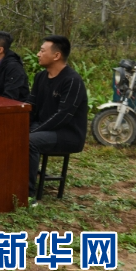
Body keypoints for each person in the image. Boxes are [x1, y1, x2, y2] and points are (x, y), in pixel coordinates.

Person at [26, 35, 88, 199]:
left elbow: (62, 116)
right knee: (10, 133)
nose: (38, 54)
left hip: (67, 134)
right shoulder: (40, 77)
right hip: (43, 128)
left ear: (56, 55)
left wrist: (33, 131)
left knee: (29, 141)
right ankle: (9, 181)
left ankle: (27, 193)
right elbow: (31, 106)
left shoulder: (72, 81)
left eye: (42, 51)